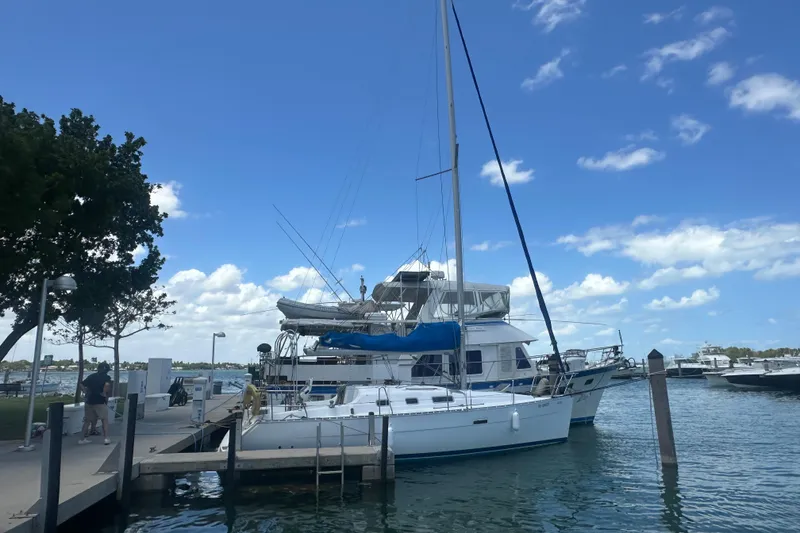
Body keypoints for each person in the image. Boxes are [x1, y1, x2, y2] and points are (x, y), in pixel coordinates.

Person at [78, 362, 113, 445]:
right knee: (104, 419)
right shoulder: (107, 377)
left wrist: (85, 391)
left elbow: (81, 384)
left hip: (89, 401)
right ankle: (106, 438)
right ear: (106, 370)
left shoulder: (91, 376)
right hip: (100, 401)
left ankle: (82, 439)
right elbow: (107, 386)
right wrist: (104, 394)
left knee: (87, 421)